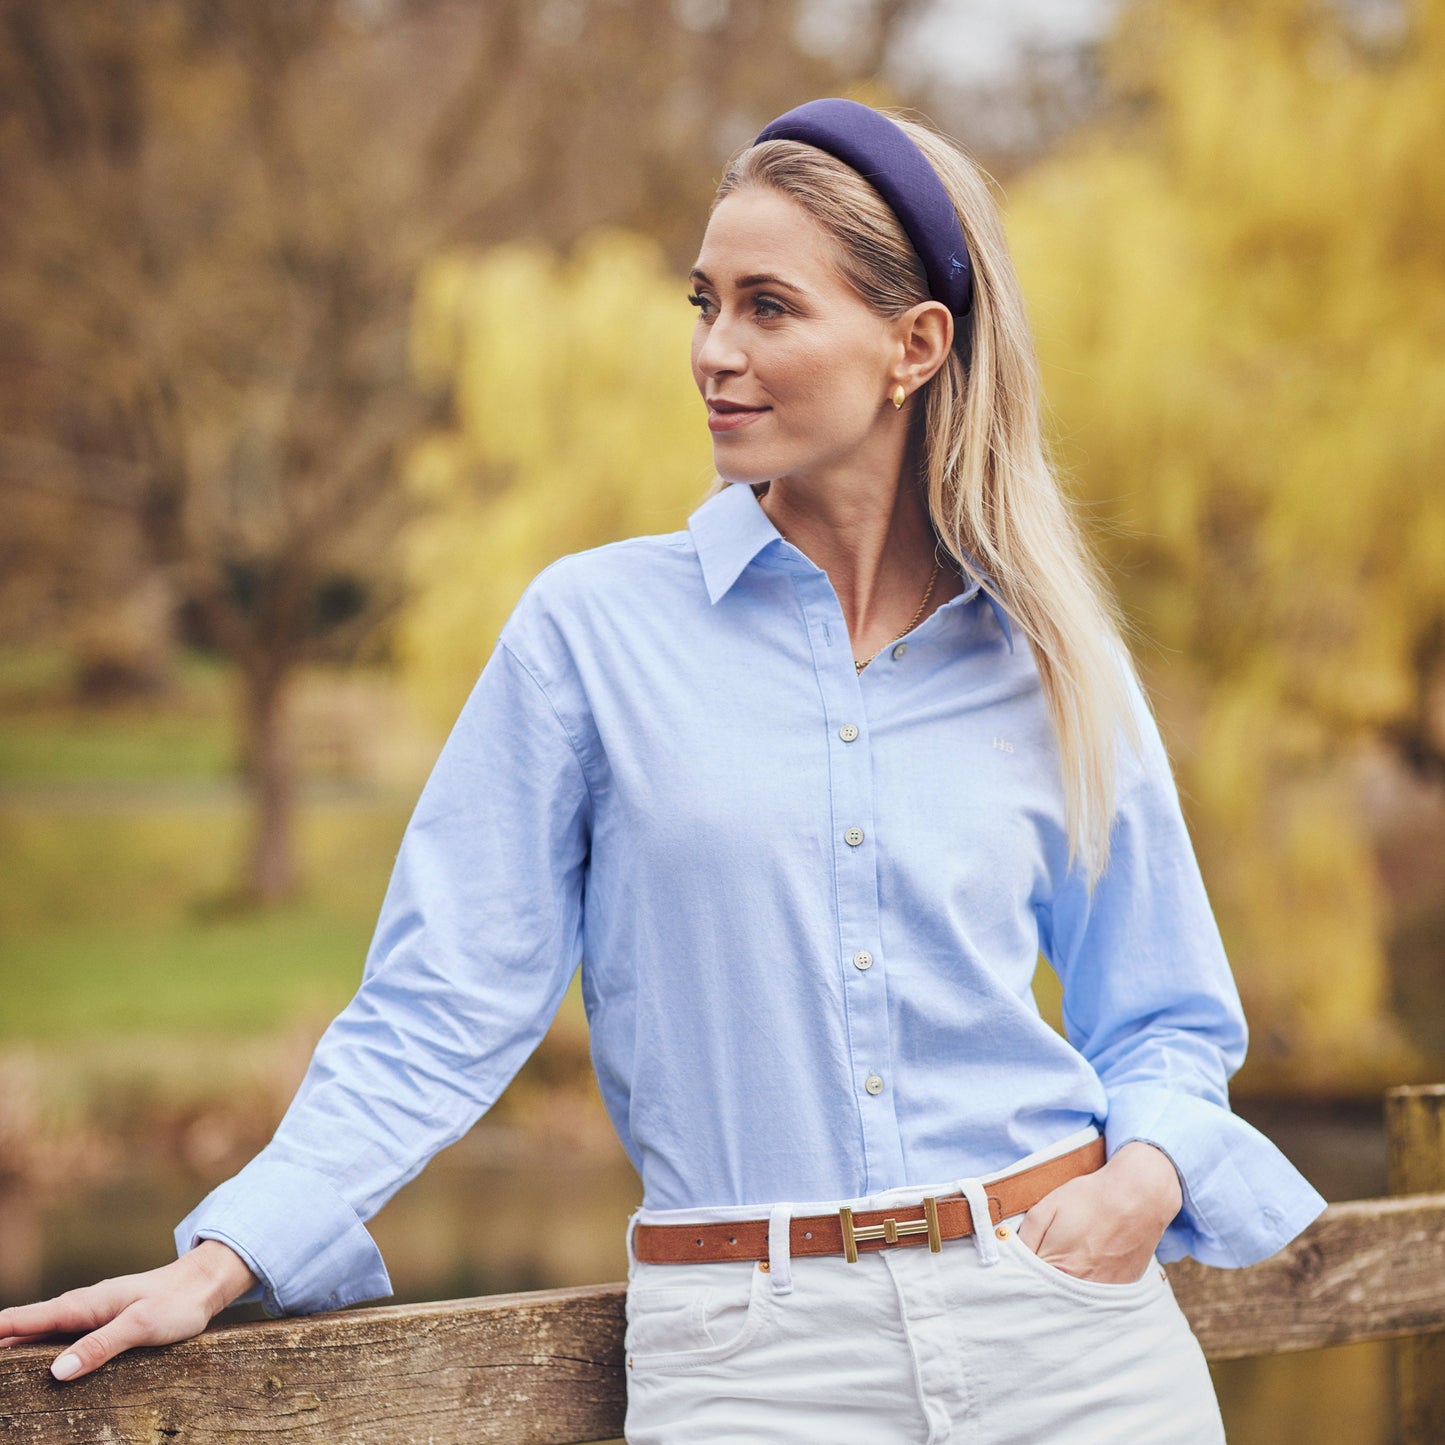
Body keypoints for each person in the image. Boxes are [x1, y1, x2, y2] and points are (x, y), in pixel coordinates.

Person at [0, 98, 1324, 1442]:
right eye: (704, 303)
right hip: (753, 1367)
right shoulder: (589, 635)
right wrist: (226, 1253)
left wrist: (1143, 1180)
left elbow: (1164, 1011)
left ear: (915, 347)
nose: (712, 351)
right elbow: (442, 1001)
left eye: (768, 307)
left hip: (1070, 1335)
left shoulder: (1052, 658)